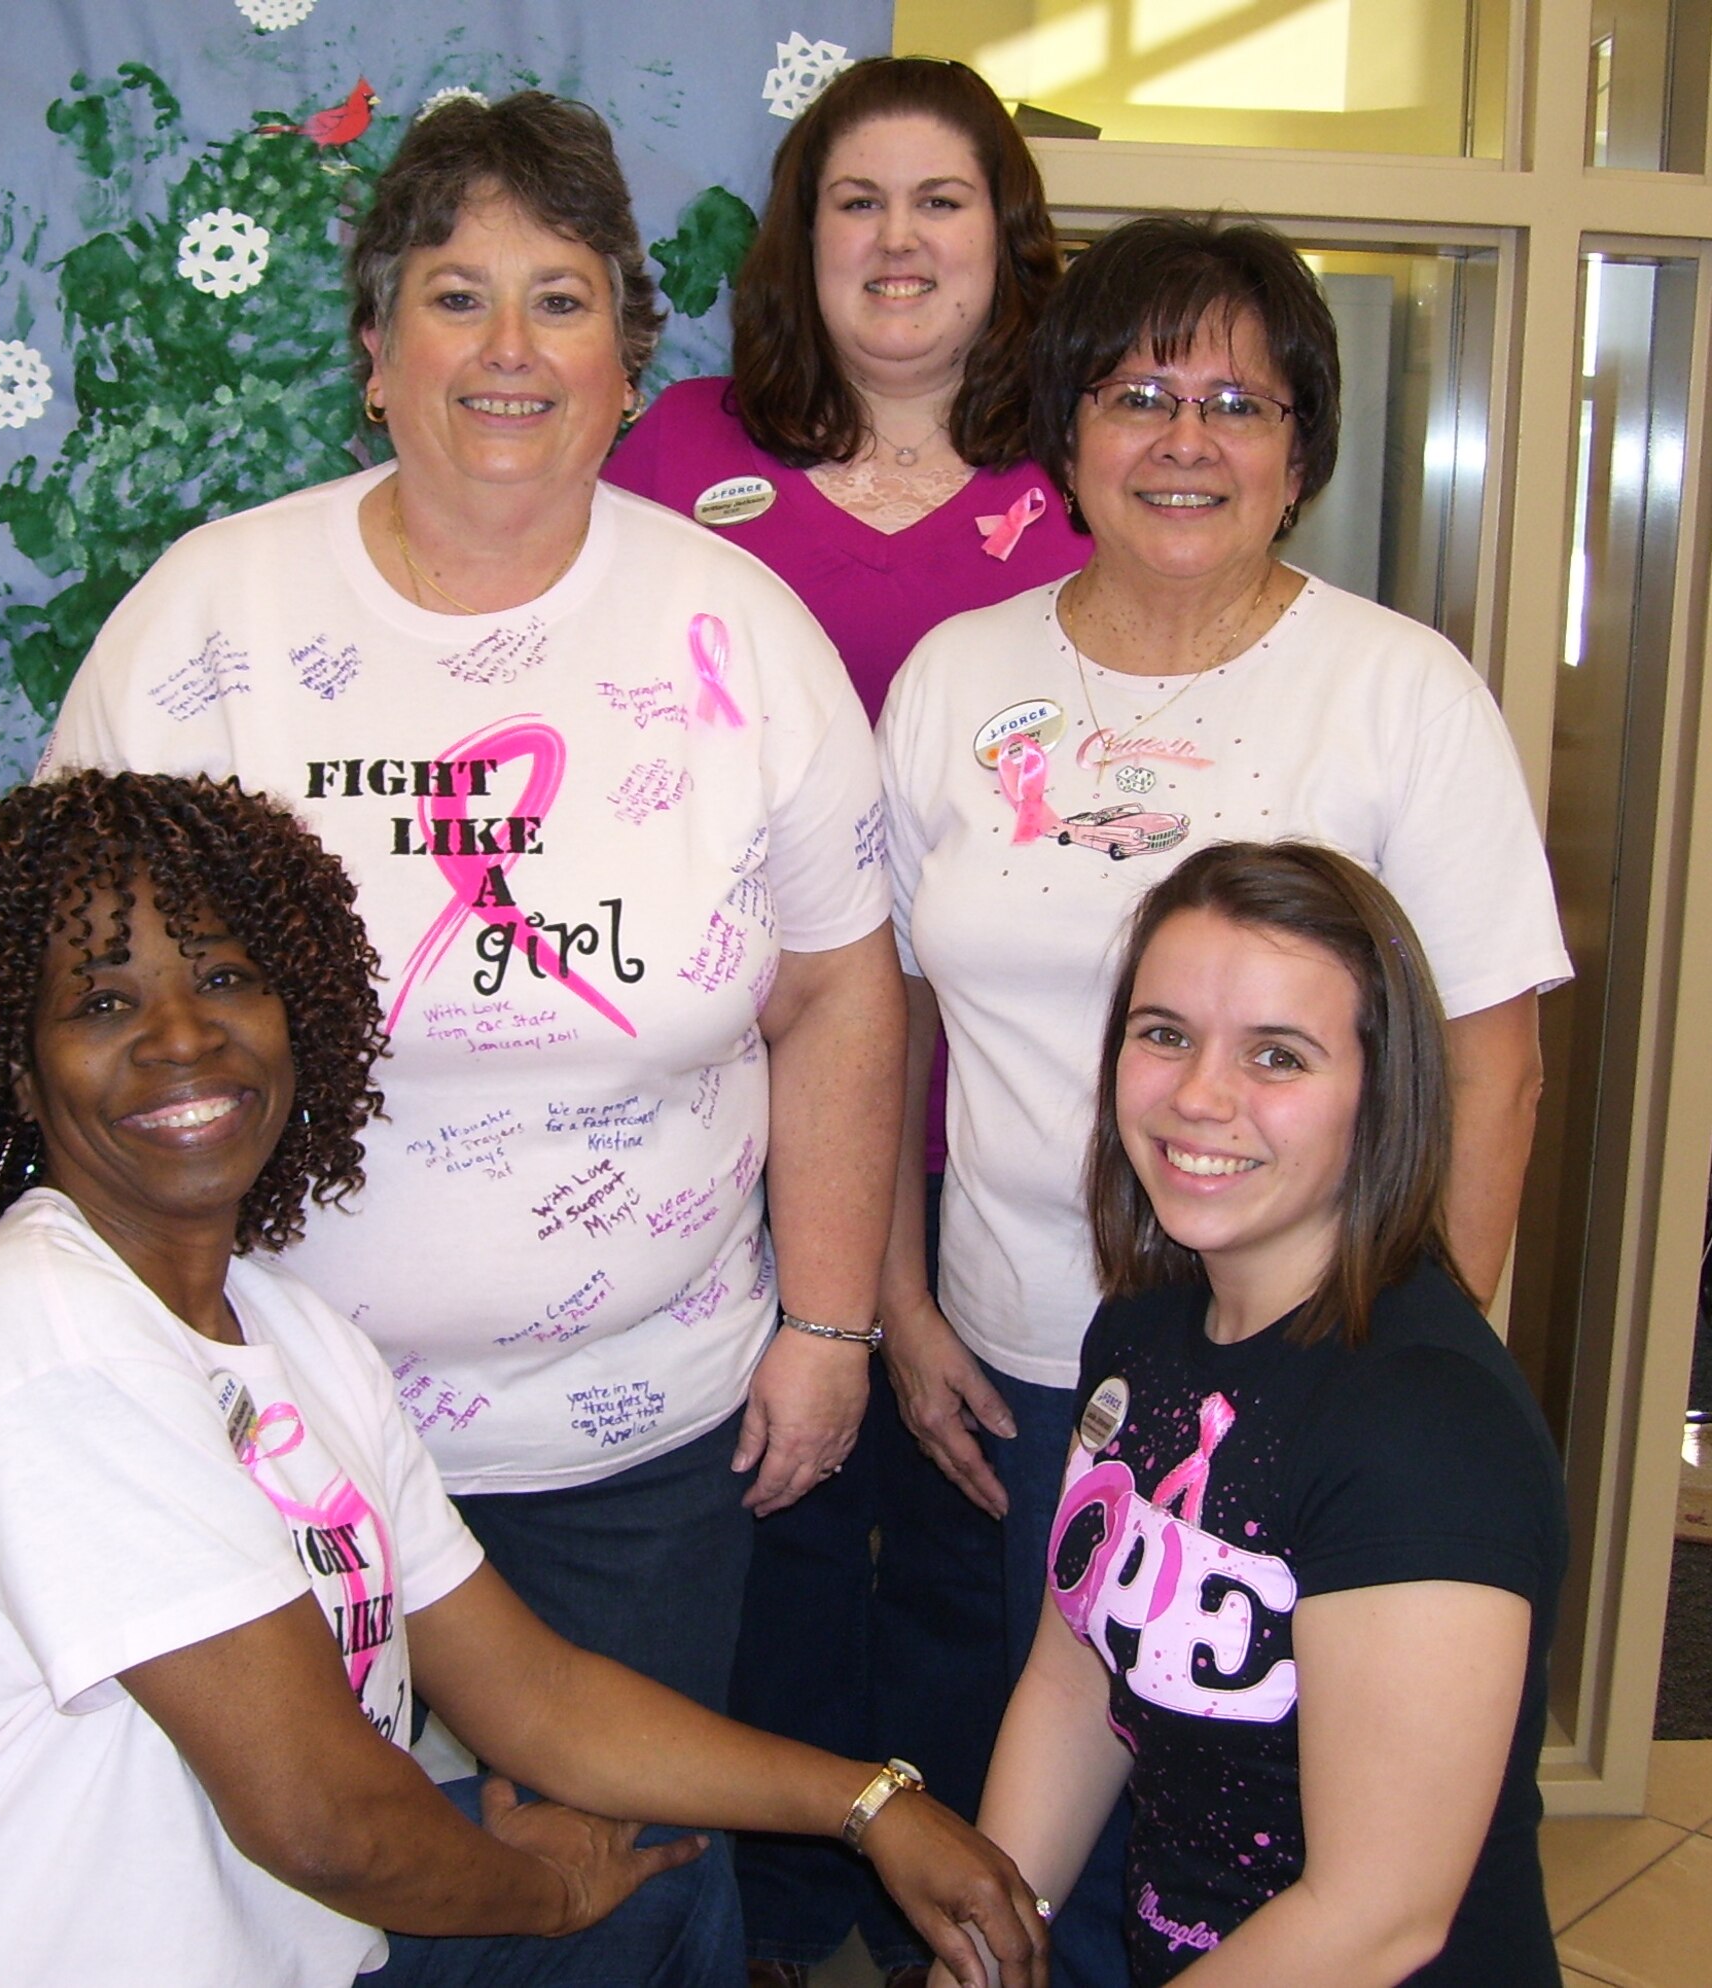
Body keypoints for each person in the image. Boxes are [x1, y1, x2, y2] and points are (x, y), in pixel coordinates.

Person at [0, 770, 1049, 1988]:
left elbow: (537, 1699)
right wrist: (546, 1894)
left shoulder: (287, 1335)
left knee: (658, 1864)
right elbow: (324, 1821)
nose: (183, 1040)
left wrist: (874, 1804)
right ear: (18, 1075)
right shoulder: (36, 1335)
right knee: (593, 1885)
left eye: (227, 980)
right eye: (104, 1004)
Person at [43, 92, 904, 1740]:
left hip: (635, 1449)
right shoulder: (203, 620)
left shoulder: (745, 631)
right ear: (375, 351)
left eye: (562, 298)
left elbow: (843, 993)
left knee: (614, 1881)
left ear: (627, 362)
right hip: (269, 1424)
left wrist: (829, 1322)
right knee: (307, 1887)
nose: (508, 345)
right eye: (454, 295)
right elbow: (67, 1009)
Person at [876, 213, 1570, 1985]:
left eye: (1241, 402)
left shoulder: (1399, 689)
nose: (1186, 438)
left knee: (1301, 1832)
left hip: (1305, 1370)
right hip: (1029, 1361)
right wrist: (890, 1306)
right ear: (1067, 429)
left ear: (1301, 450)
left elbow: (1487, 1054)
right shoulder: (960, 677)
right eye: (1137, 392)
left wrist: (1392, 1369)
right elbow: (877, 1021)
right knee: (1077, 1781)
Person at [608, 57, 1085, 1985]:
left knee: (979, 1539)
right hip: (735, 1120)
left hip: (1022, 1134)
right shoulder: (683, 449)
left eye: (942, 199)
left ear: (1007, 236)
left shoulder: (1087, 470)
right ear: (802, 243)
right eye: (858, 200)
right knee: (783, 1530)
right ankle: (790, 1911)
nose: (900, 239)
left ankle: (972, 1902)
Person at [939, 840, 1567, 1987]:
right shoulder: (1140, 1334)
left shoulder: (1422, 1427)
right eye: (1162, 1031)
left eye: (1275, 1055)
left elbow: (1376, 1916)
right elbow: (1071, 1682)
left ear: (1380, 1092)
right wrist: (979, 1955)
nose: (1197, 1095)